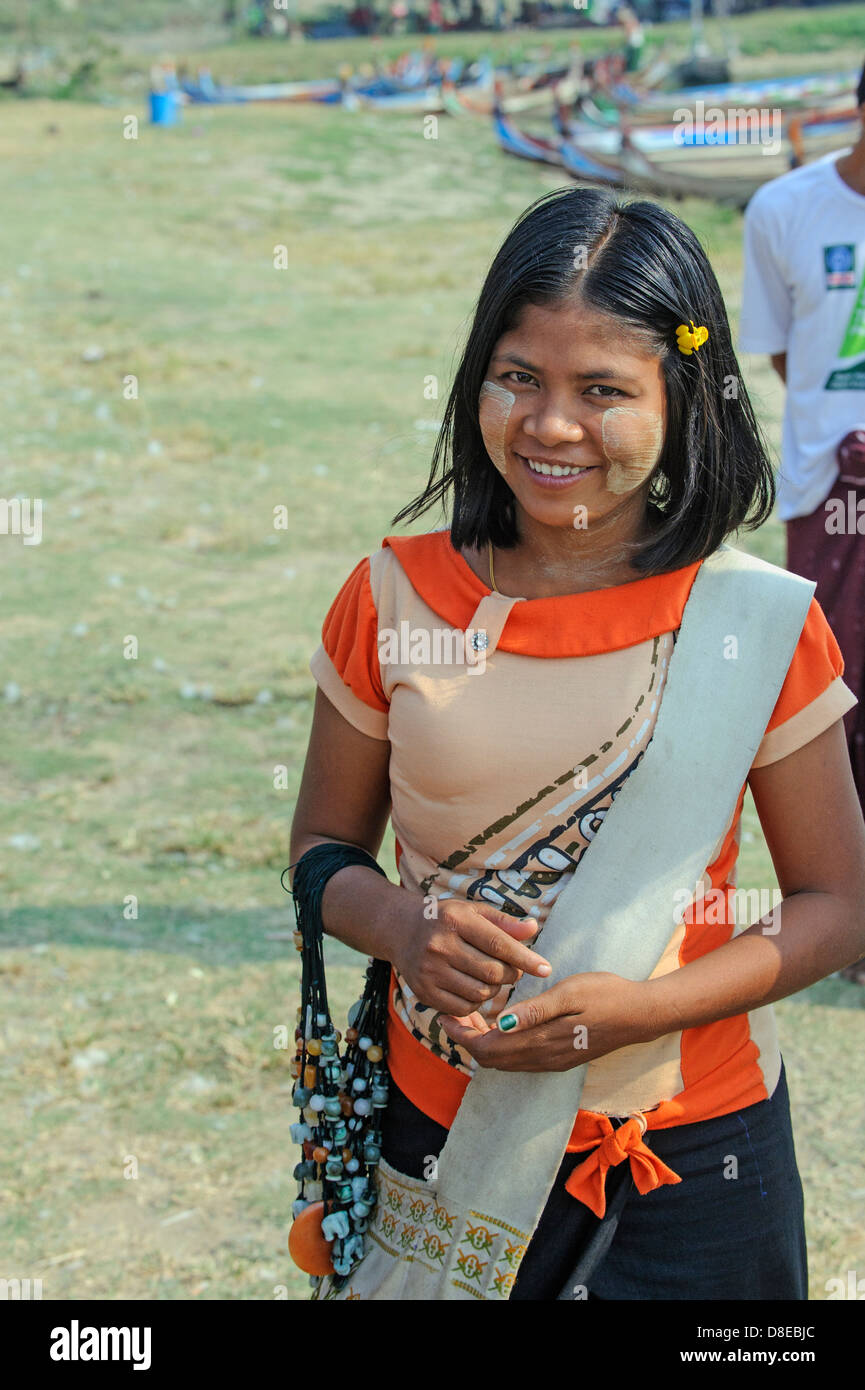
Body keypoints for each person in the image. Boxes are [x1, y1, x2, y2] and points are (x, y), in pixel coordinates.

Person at [290, 186, 865, 1299]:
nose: (551, 426)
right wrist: (405, 927)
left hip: (691, 1156)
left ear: (680, 398)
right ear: (476, 380)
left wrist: (635, 1012)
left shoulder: (755, 623)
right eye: (519, 378)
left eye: (603, 390)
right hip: (440, 1139)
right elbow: (321, 846)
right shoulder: (392, 597)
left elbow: (839, 904)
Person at [739, 57, 865, 985]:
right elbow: (786, 353)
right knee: (831, 695)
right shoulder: (784, 211)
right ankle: (843, 912)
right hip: (828, 480)